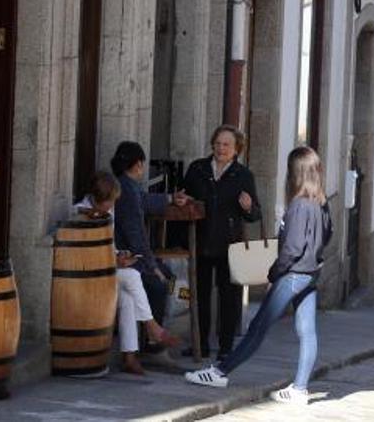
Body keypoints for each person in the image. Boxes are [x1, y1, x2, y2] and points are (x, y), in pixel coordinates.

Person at [184, 146, 333, 406]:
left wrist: (274, 274)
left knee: (258, 327)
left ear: (295, 172)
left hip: (293, 274)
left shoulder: (299, 205)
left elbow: (292, 249)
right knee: (307, 331)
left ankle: (220, 372)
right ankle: (300, 388)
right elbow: (327, 235)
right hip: (310, 273)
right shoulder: (321, 203)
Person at [74, 171, 181, 374]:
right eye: (110, 202)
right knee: (132, 276)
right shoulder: (79, 212)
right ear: (99, 200)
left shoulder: (108, 211)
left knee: (128, 298)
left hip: (107, 268)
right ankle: (152, 327)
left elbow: (107, 245)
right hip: (86, 271)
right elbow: (83, 251)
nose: (113, 206)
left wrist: (119, 256)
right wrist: (113, 260)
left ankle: (130, 356)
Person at [180, 125, 261, 359]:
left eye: (226, 145)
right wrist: (182, 199)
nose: (221, 148)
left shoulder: (243, 175)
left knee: (230, 299)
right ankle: (200, 344)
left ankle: (226, 348)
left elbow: (255, 214)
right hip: (201, 241)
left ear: (236, 150)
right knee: (199, 296)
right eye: (217, 143)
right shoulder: (198, 169)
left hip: (230, 245)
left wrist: (248, 206)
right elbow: (183, 196)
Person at [110, 141, 188, 331]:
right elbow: (137, 237)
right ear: (138, 164)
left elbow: (144, 199)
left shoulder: (126, 185)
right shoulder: (126, 190)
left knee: (169, 277)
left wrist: (170, 198)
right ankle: (154, 342)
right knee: (160, 285)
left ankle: (155, 331)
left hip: (130, 255)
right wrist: (152, 267)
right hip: (126, 258)